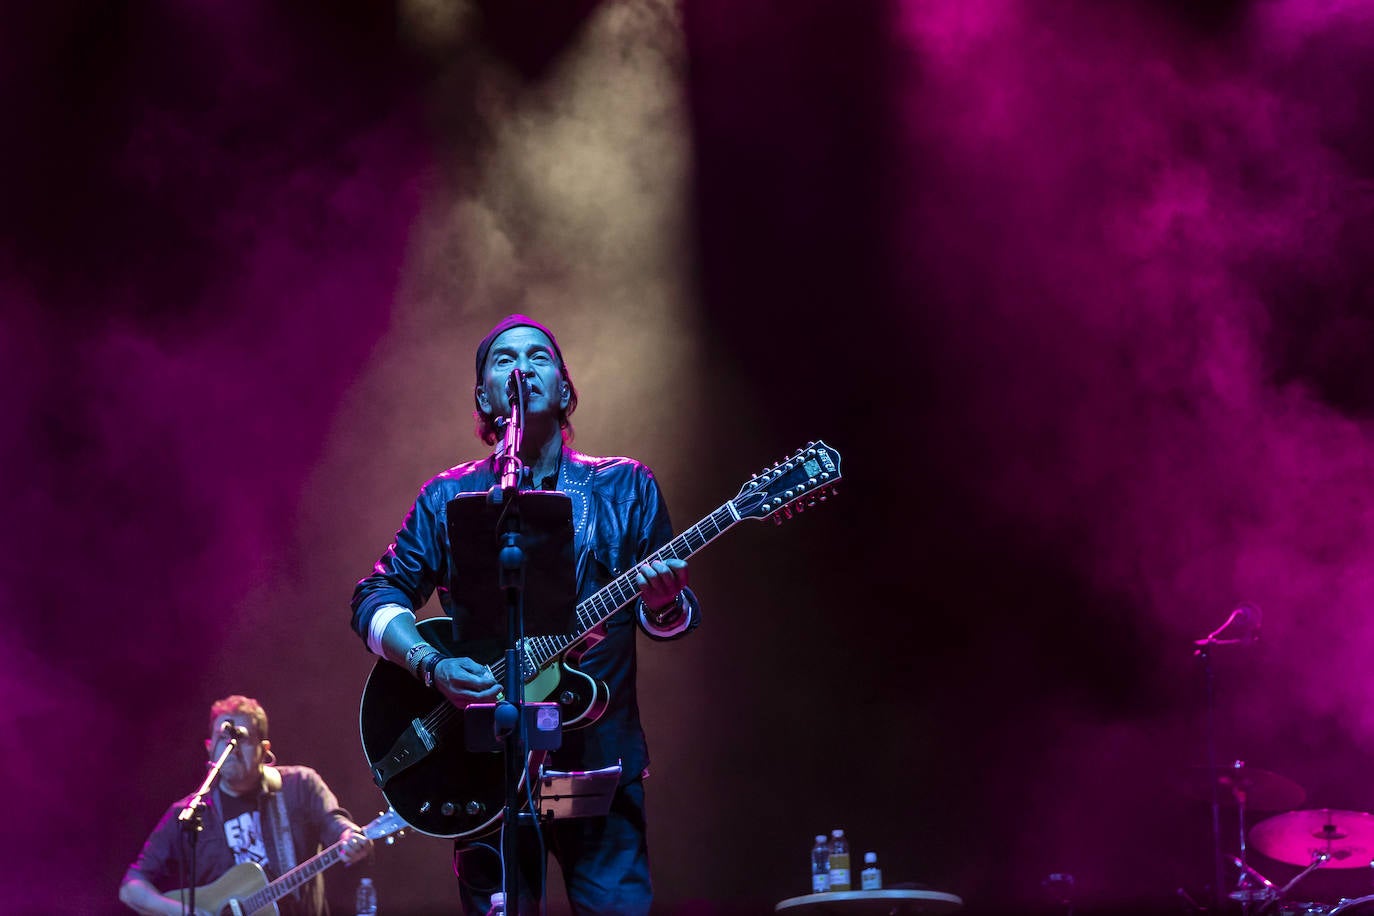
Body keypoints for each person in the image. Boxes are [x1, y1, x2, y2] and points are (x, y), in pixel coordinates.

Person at [350, 314, 700, 915]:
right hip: (484, 773)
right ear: (483, 395)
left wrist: (664, 602)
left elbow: (668, 619)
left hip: (597, 769)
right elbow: (375, 598)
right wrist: (432, 666)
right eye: (504, 359)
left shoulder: (626, 487)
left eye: (539, 357)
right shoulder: (448, 498)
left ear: (564, 389)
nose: (522, 367)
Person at [119, 695, 371, 916]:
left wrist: (349, 835)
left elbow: (334, 823)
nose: (233, 748)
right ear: (209, 748)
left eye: (242, 739)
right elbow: (132, 885)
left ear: (264, 749)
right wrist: (182, 911)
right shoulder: (188, 812)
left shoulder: (300, 785)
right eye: (224, 738)